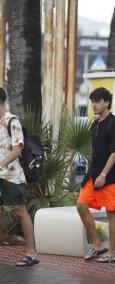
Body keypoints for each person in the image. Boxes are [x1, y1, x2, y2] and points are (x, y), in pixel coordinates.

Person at [77, 87, 115, 264]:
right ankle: (97, 244)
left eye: (97, 101)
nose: (94, 105)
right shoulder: (95, 124)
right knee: (81, 206)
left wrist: (104, 174)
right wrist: (94, 173)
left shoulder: (114, 124)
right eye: (92, 102)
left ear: (106, 102)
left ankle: (112, 253)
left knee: (111, 212)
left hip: (110, 176)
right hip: (93, 173)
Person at [0, 88, 39, 267]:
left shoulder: (11, 121)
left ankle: (32, 253)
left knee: (20, 212)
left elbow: (18, 148)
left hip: (12, 176)